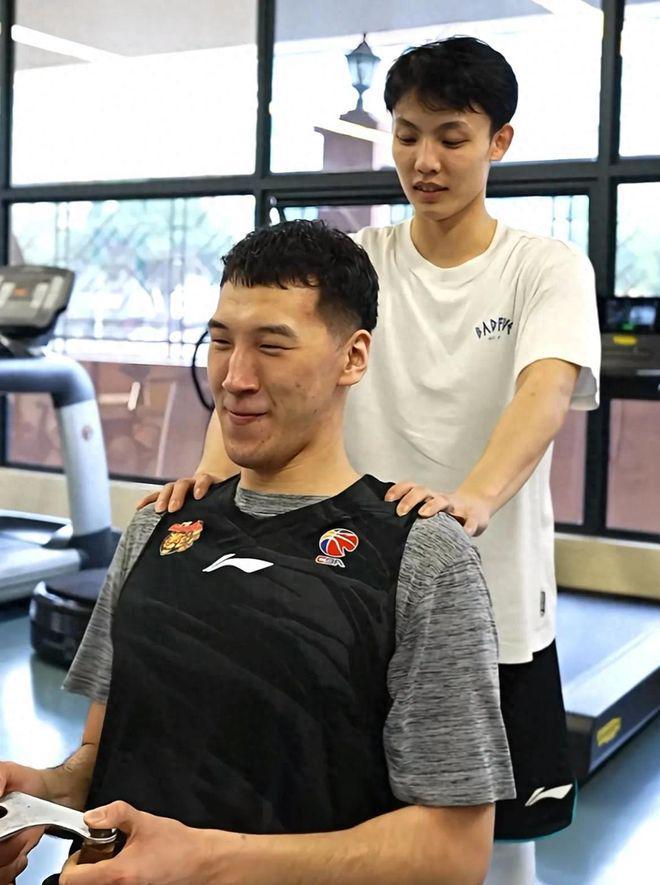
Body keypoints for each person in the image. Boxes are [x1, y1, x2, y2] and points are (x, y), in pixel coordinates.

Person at [143, 37, 601, 884]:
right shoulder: (363, 264)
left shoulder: (545, 268)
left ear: (499, 141)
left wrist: (473, 498)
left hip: (490, 596)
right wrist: (210, 480)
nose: (425, 161)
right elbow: (261, 363)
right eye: (407, 135)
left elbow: (543, 393)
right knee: (361, 826)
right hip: (355, 597)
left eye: (452, 138)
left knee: (496, 850)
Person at [0, 220, 515, 885]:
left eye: (271, 346)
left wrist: (209, 862)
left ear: (353, 358)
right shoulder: (158, 526)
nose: (235, 378)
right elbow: (105, 752)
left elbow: (454, 851)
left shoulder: (421, 556)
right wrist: (44, 793)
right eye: (220, 342)